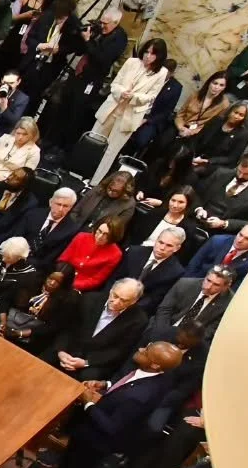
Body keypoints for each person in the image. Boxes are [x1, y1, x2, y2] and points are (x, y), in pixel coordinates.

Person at [90, 39, 170, 183]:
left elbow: (151, 96)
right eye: (146, 51)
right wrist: (122, 92)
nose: (148, 56)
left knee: (111, 151)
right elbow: (115, 84)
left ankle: (94, 182)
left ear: (159, 56)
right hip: (113, 107)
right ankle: (79, 172)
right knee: (93, 141)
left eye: (153, 54)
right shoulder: (132, 62)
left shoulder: (161, 73)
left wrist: (134, 97)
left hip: (130, 114)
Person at [42, 278, 148, 380]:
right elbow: (68, 327)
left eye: (124, 301)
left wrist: (86, 362)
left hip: (95, 360)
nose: (116, 302)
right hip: (70, 348)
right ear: (111, 290)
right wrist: (61, 351)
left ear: (134, 301)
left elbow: (119, 351)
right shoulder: (89, 299)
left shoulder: (138, 320)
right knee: (47, 357)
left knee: (88, 377)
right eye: (115, 296)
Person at [144, 266, 235, 343]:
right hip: (166, 325)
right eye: (208, 280)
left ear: (225, 287)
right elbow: (164, 309)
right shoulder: (185, 284)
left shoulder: (229, 303)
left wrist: (186, 342)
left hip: (191, 339)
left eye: (216, 285)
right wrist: (163, 333)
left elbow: (211, 330)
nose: (208, 286)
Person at [57, 218, 125, 291]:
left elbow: (96, 280)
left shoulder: (116, 254)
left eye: (106, 235)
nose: (99, 237)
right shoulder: (81, 236)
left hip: (81, 288)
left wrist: (72, 285)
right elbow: (63, 259)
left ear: (113, 237)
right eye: (99, 231)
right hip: (63, 276)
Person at [0, 116, 40, 182]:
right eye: (18, 133)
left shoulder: (34, 151)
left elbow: (25, 176)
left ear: (32, 135)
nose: (20, 137)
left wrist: (5, 178)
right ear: (15, 131)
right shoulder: (5, 138)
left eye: (25, 134)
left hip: (6, 181)